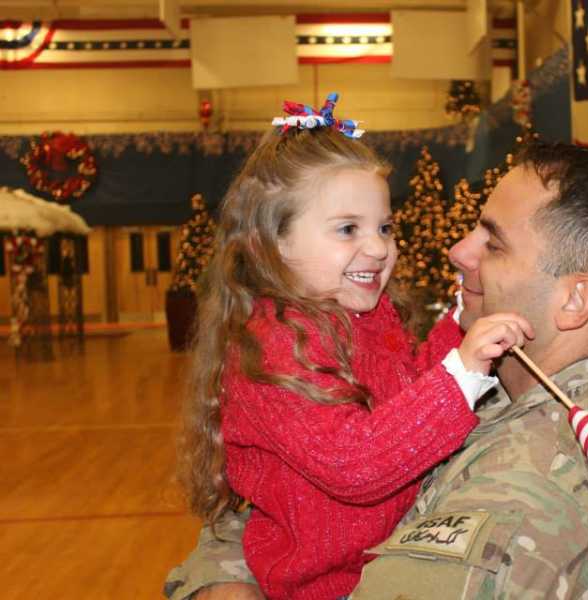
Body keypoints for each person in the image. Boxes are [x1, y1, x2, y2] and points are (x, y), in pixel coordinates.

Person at [165, 141, 588, 600]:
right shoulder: (519, 380)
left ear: (575, 300)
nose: (458, 250)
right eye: (346, 228)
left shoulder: (520, 503)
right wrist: (225, 580)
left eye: (493, 243)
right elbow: (289, 490)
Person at [176, 95, 533, 600]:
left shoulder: (365, 314)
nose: (379, 247)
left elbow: (408, 396)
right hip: (321, 589)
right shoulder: (273, 347)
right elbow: (356, 466)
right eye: (348, 229)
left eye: (384, 226)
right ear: (272, 244)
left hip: (380, 566)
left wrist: (460, 324)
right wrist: (464, 370)